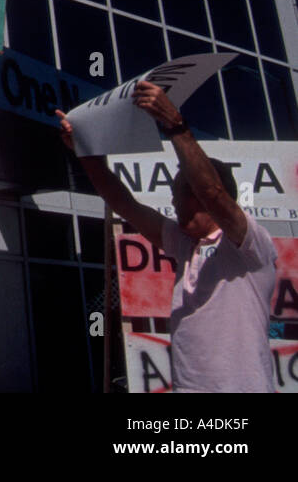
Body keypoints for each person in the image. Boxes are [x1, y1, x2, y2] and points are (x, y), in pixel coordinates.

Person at [57, 80, 278, 392]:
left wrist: (175, 126)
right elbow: (124, 204)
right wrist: (84, 153)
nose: (173, 203)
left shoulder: (249, 245)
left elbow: (212, 192)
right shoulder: (186, 244)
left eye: (180, 194)